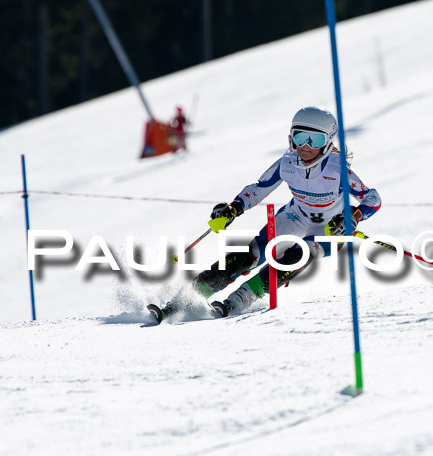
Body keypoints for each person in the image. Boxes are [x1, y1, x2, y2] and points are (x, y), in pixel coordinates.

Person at [149, 106, 382, 322]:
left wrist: (353, 217)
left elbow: (372, 198)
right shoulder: (287, 163)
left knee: (299, 254)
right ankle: (185, 300)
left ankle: (242, 298)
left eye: (315, 140)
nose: (306, 146)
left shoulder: (337, 168)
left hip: (329, 228)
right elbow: (257, 190)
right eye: (300, 137)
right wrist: (233, 209)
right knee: (245, 257)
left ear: (327, 142)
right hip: (295, 217)